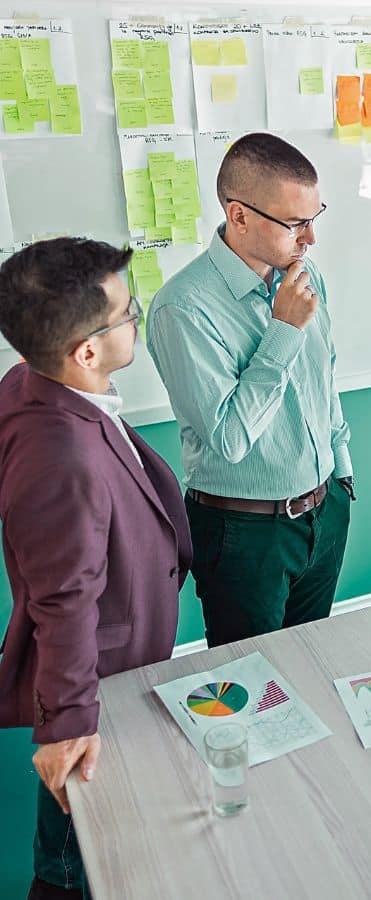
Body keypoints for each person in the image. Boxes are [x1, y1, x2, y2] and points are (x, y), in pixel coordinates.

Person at [0, 238, 192, 900]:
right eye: (126, 310)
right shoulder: (61, 458)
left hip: (114, 668)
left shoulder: (36, 379)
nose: (137, 315)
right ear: (86, 351)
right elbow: (64, 602)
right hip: (96, 688)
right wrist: (70, 725)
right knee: (76, 856)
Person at [147, 132, 353, 649]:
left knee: (313, 665)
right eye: (295, 223)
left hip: (324, 512)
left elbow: (323, 377)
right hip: (244, 534)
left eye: (315, 217)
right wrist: (282, 331)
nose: (311, 238)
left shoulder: (305, 277)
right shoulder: (183, 308)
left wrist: (342, 473)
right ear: (238, 216)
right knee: (253, 687)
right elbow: (230, 440)